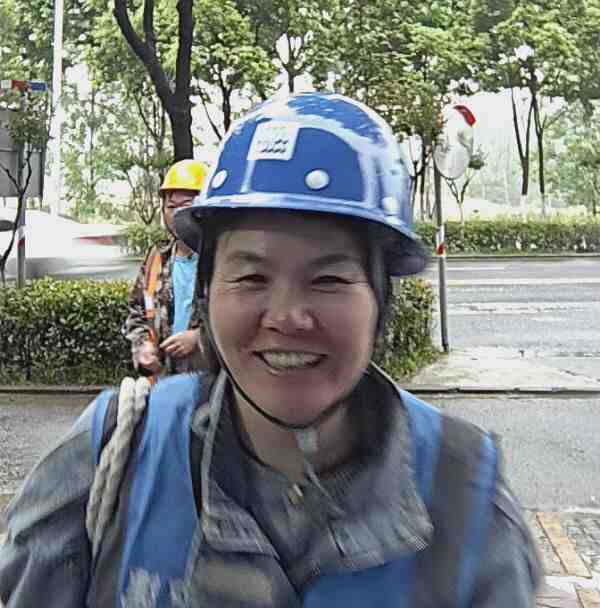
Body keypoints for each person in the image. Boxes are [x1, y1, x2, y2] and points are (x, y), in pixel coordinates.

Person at [0, 93, 541, 607]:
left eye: (329, 279)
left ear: (381, 300)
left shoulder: (466, 494)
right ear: (208, 292)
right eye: (251, 277)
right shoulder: (113, 454)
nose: (286, 317)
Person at [123, 158, 208, 378]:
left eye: (186, 205)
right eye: (171, 207)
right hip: (164, 381)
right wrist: (143, 346)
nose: (177, 213)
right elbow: (137, 311)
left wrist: (199, 338)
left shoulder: (220, 259)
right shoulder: (157, 258)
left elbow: (241, 323)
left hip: (210, 383)